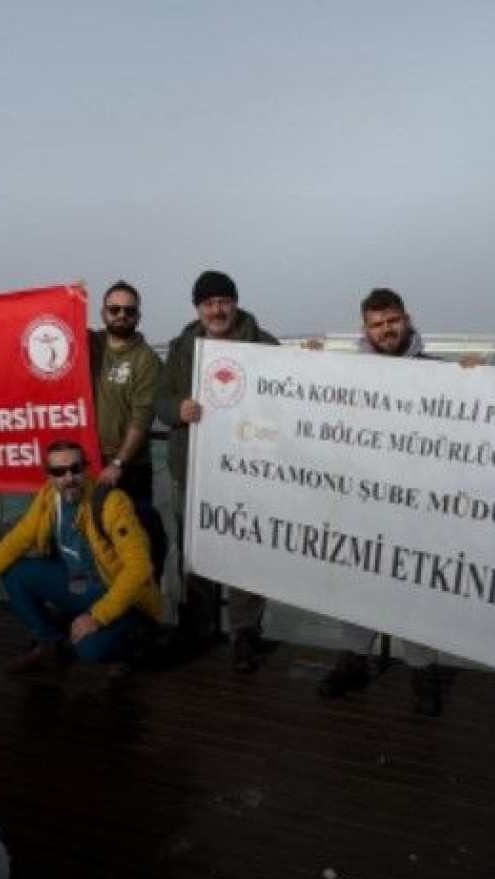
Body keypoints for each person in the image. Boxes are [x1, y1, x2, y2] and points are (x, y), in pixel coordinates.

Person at [313, 289, 455, 715]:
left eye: (392, 321)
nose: (386, 330)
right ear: (365, 329)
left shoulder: (437, 372)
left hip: (418, 505)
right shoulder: (350, 372)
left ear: (406, 320)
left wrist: (473, 380)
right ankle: (355, 659)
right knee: (359, 579)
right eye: (377, 324)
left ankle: (422, 670)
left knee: (416, 585)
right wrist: (304, 367)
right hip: (363, 498)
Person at [154, 270, 282, 672]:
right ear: (198, 308)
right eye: (208, 303)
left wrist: (307, 361)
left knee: (246, 553)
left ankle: (245, 632)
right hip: (193, 469)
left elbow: (289, 401)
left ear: (235, 303)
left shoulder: (265, 345)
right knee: (195, 552)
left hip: (248, 471)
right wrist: (178, 409)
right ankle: (199, 627)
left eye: (224, 301)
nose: (217, 309)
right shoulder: (181, 347)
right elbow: (160, 401)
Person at [0, 439, 164, 677]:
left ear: (86, 467)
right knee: (16, 572)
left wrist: (96, 617)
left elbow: (140, 568)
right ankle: (49, 646)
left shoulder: (112, 503)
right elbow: (14, 542)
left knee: (89, 649)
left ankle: (131, 647)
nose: (69, 477)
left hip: (120, 596)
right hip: (81, 587)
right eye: (58, 471)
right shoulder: (48, 498)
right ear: (49, 475)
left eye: (75, 468)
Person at [88, 281, 167, 579]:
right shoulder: (91, 345)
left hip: (128, 468)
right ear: (103, 313)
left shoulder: (146, 359)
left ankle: (144, 609)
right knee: (96, 541)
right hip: (90, 463)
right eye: (114, 309)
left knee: (136, 542)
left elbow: (141, 419)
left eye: (128, 310)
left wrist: (119, 462)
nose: (121, 315)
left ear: (138, 316)